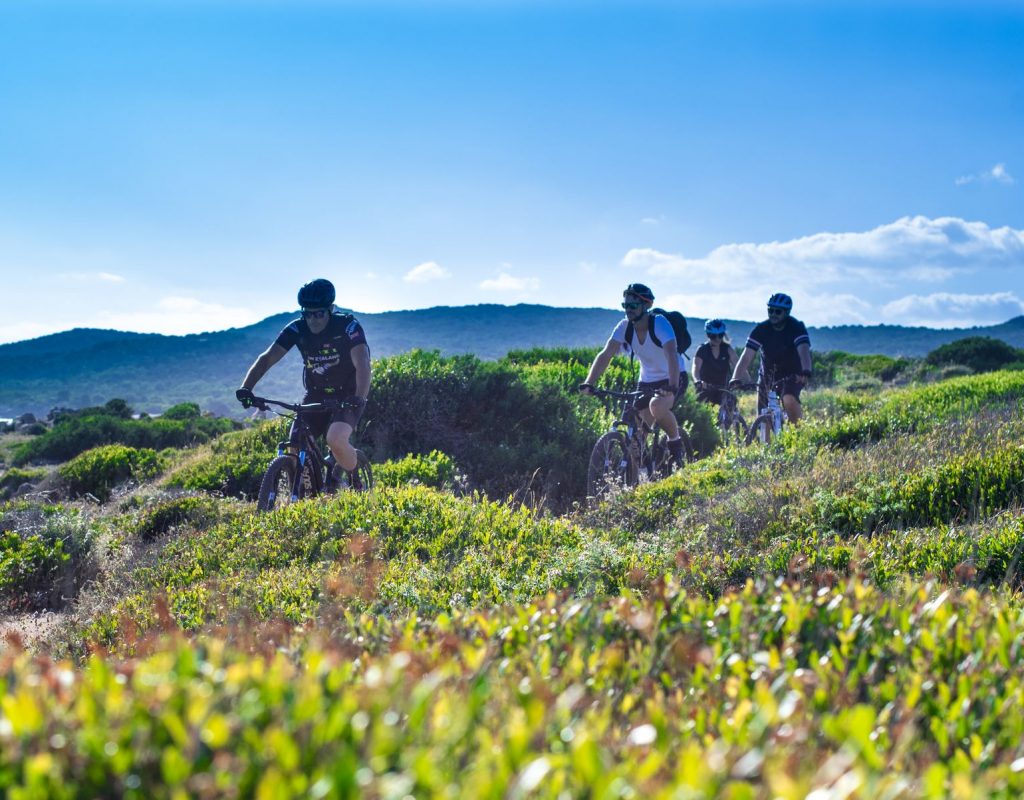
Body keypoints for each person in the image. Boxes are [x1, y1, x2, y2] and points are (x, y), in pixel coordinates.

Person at [235, 278, 371, 480]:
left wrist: (359, 397)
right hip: (316, 393)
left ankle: (354, 478)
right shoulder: (297, 329)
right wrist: (246, 388)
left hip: (349, 393)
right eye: (307, 314)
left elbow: (362, 362)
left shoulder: (347, 326)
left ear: (331, 309)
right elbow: (267, 359)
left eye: (319, 313)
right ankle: (303, 492)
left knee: (335, 439)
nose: (313, 320)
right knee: (294, 445)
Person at [579, 283, 689, 466]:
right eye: (625, 306)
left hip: (674, 376)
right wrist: (589, 382)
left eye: (633, 306)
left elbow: (671, 354)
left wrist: (672, 387)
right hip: (646, 381)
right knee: (636, 435)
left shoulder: (660, 323)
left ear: (646, 306)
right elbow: (606, 355)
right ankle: (639, 477)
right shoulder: (624, 327)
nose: (628, 310)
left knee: (657, 407)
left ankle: (675, 443)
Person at [729, 292, 812, 424]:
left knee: (788, 398)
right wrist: (736, 377)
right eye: (770, 310)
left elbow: (804, 351)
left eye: (777, 311)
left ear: (786, 312)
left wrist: (806, 371)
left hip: (792, 374)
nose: (773, 314)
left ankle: (798, 432)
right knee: (763, 416)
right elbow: (746, 356)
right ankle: (765, 444)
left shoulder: (796, 327)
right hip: (767, 375)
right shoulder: (761, 329)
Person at [692, 319, 738, 405]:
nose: (717, 339)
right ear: (708, 335)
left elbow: (739, 365)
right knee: (701, 410)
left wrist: (748, 381)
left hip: (723, 388)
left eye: (720, 335)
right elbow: (695, 368)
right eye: (713, 336)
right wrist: (697, 381)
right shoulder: (702, 350)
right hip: (706, 388)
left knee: (731, 403)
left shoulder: (727, 349)